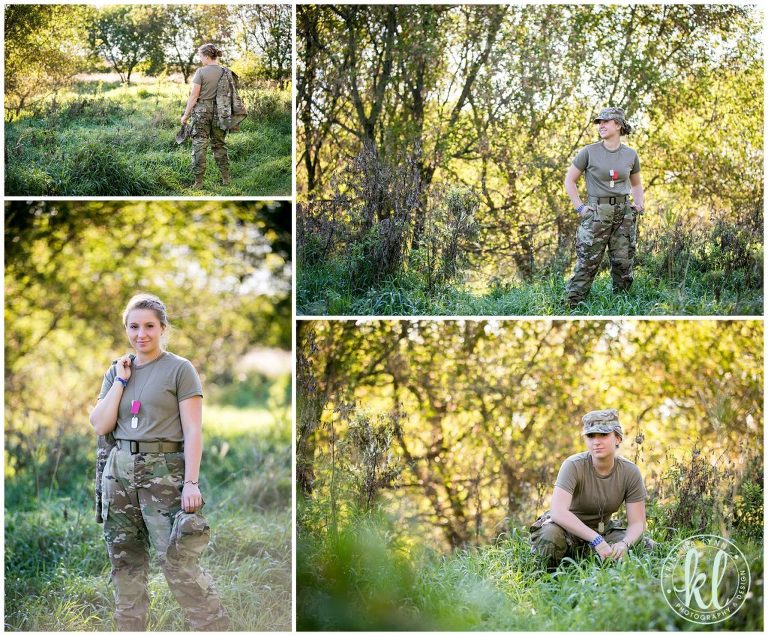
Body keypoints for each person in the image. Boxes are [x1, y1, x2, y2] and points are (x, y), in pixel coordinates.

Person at [90, 293, 228, 631]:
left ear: (163, 328)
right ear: (126, 329)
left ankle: (213, 626)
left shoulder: (180, 369)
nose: (141, 334)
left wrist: (191, 483)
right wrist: (121, 382)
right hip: (118, 476)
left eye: (149, 326)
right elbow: (100, 424)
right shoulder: (117, 370)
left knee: (179, 563)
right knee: (125, 563)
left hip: (164, 474)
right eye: (134, 326)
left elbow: (194, 429)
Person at [529, 409, 654, 571]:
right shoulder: (573, 465)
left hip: (603, 530)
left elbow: (637, 523)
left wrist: (623, 544)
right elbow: (558, 512)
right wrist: (596, 541)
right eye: (590, 436)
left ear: (617, 438)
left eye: (603, 435)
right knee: (550, 537)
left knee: (647, 547)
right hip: (566, 529)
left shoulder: (630, 472)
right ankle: (547, 577)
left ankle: (596, 561)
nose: (596, 441)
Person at [564, 107, 645, 307]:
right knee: (587, 263)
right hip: (597, 213)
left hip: (624, 213)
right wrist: (580, 208)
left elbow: (636, 184)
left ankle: (622, 305)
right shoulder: (589, 152)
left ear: (618, 125)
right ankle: (571, 305)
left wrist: (639, 204)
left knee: (623, 263)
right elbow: (569, 181)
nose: (601, 126)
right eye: (599, 122)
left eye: (605, 122)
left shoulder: (630, 155)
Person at [181, 44, 230, 189]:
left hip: (202, 112)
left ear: (207, 56)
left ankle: (198, 183)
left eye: (201, 56)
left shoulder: (201, 72)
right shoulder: (225, 72)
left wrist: (185, 115)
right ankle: (226, 179)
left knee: (199, 145)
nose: (200, 59)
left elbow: (194, 96)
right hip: (221, 112)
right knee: (219, 145)